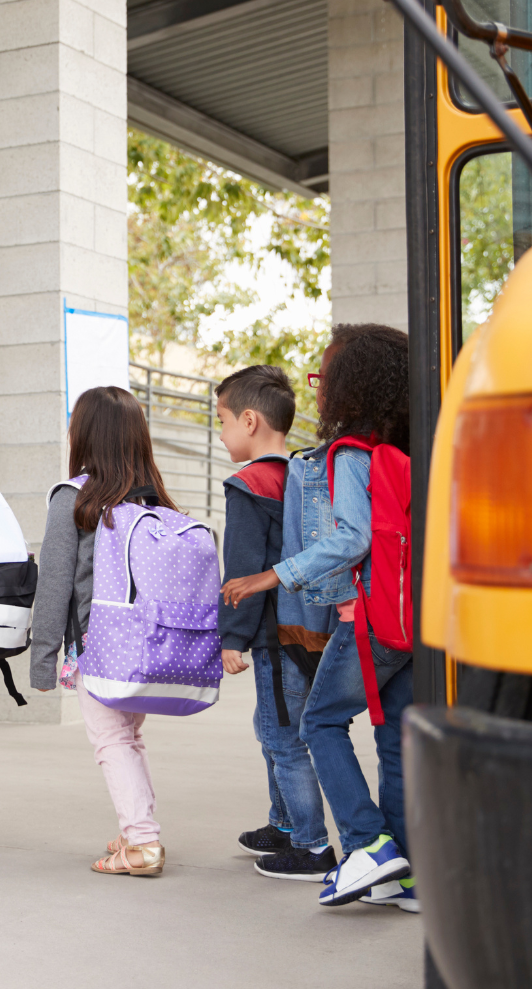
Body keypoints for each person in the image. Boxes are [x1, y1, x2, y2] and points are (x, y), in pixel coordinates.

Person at [221, 324, 418, 911]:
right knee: (394, 740)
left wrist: (270, 575)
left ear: (351, 388)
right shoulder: (408, 452)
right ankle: (406, 875)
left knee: (319, 723)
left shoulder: (350, 455)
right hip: (412, 621)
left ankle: (367, 843)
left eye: (325, 378)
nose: (319, 390)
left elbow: (351, 539)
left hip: (369, 618)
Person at [30, 386, 179, 877]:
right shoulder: (154, 500)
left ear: (84, 435)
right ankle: (137, 830)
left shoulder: (73, 498)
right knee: (128, 738)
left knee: (110, 741)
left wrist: (42, 658)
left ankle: (142, 844)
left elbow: (53, 585)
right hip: (148, 643)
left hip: (100, 644)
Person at [215, 365, 336, 882]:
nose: (220, 433)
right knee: (275, 729)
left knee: (284, 736)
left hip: (272, 633)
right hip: (311, 627)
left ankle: (311, 846)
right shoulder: (302, 476)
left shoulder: (248, 485)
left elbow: (240, 569)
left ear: (248, 420)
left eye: (220, 420)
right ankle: (282, 824)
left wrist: (231, 638)